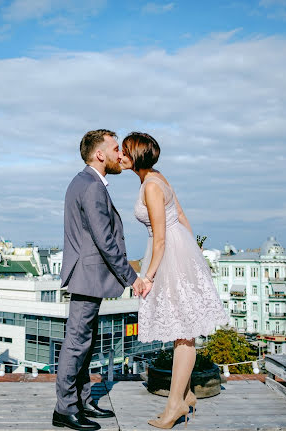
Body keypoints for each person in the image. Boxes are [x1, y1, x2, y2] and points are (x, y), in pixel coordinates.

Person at [120, 132, 229, 429]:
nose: (120, 156)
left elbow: (160, 239)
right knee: (184, 330)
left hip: (168, 253)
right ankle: (187, 396)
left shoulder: (152, 186)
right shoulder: (157, 177)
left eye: (125, 152)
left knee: (183, 333)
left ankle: (174, 407)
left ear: (137, 157)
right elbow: (180, 215)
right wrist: (193, 252)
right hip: (179, 251)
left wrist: (147, 276)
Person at [54, 129, 147, 431]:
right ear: (99, 154)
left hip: (88, 276)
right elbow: (105, 240)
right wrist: (132, 278)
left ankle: (81, 402)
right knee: (76, 344)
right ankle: (64, 409)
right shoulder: (92, 186)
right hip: (88, 276)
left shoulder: (85, 181)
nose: (121, 155)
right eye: (116, 149)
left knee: (84, 343)